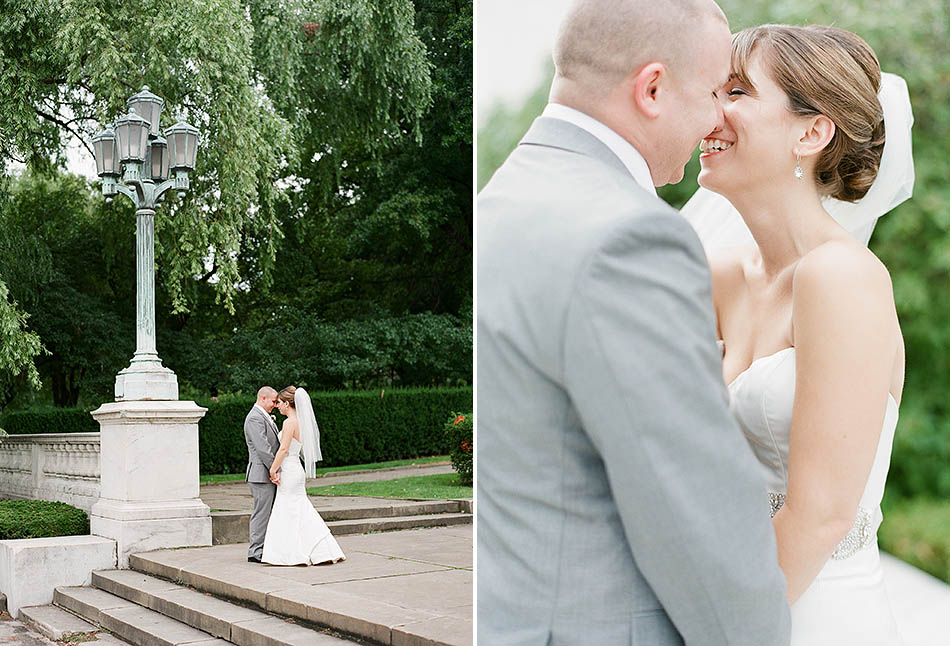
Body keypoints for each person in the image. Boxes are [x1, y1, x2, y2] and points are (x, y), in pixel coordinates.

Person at [476, 0, 790, 643]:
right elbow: (693, 511)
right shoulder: (629, 236)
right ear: (651, 88)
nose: (714, 119)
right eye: (710, 93)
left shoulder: (499, 202)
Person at [684, 24, 911, 644]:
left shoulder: (843, 279)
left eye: (737, 92)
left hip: (809, 614)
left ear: (811, 133)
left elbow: (820, 514)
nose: (712, 112)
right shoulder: (719, 277)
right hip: (722, 585)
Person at [262, 385, 345, 566]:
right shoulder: (301, 421)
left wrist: (272, 469)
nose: (278, 406)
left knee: (289, 510)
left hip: (289, 469)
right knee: (300, 508)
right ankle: (322, 549)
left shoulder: (289, 423)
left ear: (287, 403)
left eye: (280, 403)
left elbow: (284, 449)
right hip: (296, 470)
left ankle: (291, 553)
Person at [244, 386, 281, 563]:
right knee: (261, 513)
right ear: (263, 398)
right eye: (273, 401)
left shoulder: (264, 416)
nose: (275, 405)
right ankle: (255, 552)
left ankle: (265, 548)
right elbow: (263, 449)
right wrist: (275, 470)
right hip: (261, 475)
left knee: (268, 513)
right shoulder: (254, 418)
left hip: (266, 473)